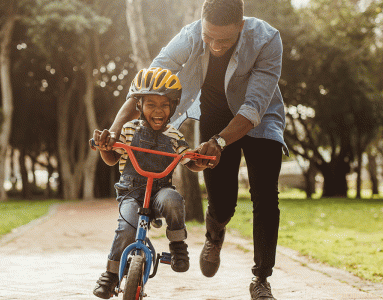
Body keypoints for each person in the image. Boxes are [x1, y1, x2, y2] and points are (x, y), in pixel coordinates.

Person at [95, 1, 288, 299]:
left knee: (265, 194)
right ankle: (215, 232)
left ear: (241, 26)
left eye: (223, 40)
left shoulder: (267, 39)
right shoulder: (190, 35)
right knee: (223, 203)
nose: (214, 45)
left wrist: (220, 142)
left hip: (259, 118)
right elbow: (149, 82)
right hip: (215, 115)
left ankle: (261, 279)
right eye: (209, 37)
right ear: (201, 24)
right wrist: (116, 128)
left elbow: (253, 108)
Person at [91, 68, 208, 299]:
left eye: (164, 105)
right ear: (139, 106)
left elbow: (189, 161)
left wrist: (201, 161)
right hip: (131, 193)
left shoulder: (175, 136)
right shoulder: (127, 130)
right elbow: (112, 158)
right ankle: (111, 274)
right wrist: (105, 148)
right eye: (151, 104)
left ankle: (177, 246)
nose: (158, 110)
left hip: (160, 192)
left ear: (173, 107)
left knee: (173, 200)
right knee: (126, 228)